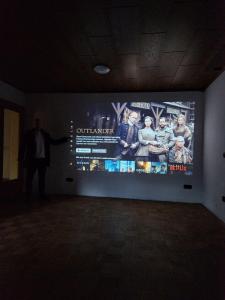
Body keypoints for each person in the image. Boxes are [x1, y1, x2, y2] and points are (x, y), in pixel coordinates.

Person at [20, 118, 68, 200]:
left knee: (42, 178)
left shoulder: (45, 134)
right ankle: (28, 195)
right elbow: (23, 146)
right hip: (32, 160)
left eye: (39, 123)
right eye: (36, 123)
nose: (38, 124)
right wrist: (21, 158)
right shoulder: (29, 134)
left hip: (42, 160)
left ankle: (41, 195)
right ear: (34, 124)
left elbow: (54, 142)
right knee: (29, 178)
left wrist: (64, 139)